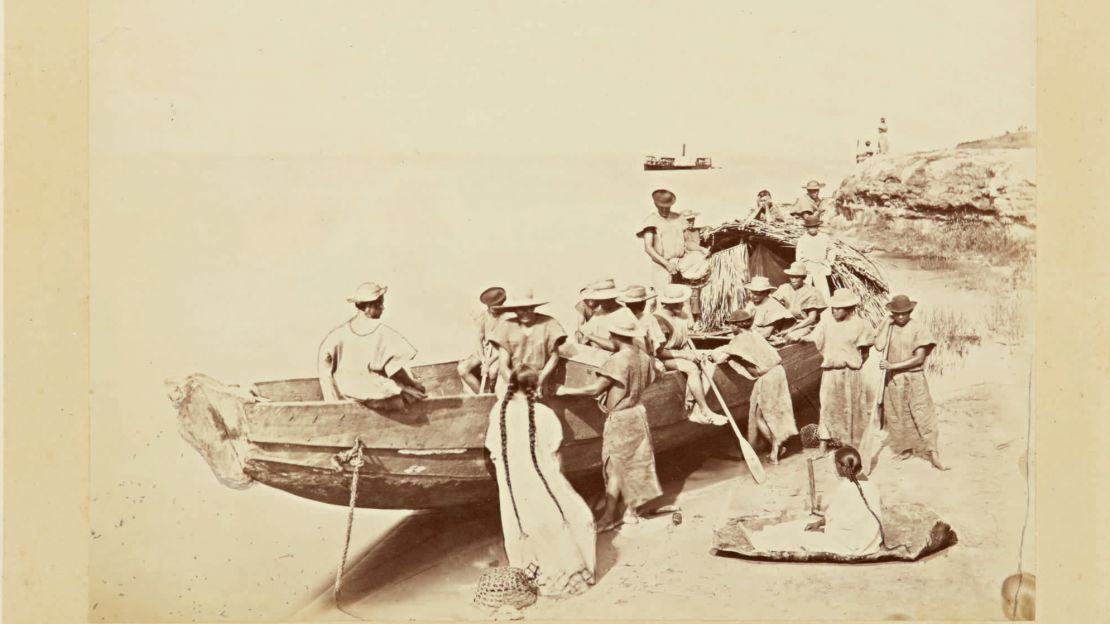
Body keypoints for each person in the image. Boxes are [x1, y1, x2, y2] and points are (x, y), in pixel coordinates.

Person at [485, 364, 596, 597]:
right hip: (540, 478)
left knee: (522, 526)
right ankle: (567, 577)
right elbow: (555, 453)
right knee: (574, 518)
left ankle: (530, 577)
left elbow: (493, 451)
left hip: (511, 484)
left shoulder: (499, 410)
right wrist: (559, 482)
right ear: (534, 387)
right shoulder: (543, 414)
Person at [555, 319, 675, 531]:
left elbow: (595, 389)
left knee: (614, 467)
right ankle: (630, 512)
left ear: (615, 336)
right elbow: (653, 376)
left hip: (620, 417)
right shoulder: (643, 356)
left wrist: (564, 390)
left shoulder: (617, 361)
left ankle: (609, 517)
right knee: (636, 463)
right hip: (637, 412)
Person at [747, 446, 884, 556]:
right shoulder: (870, 483)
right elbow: (844, 517)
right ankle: (763, 534)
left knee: (799, 537)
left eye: (835, 465)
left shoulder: (848, 488)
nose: (834, 469)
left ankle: (758, 540)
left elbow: (841, 522)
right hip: (868, 539)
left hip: (852, 544)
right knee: (801, 525)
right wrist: (819, 523)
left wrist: (824, 529)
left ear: (843, 467)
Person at [708, 308, 798, 464]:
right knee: (767, 413)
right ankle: (776, 447)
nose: (730, 328)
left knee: (761, 416)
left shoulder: (739, 340)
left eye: (732, 325)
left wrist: (710, 355)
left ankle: (775, 450)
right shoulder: (755, 334)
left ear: (737, 325)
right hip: (777, 372)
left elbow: (721, 357)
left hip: (768, 377)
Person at [318, 282, 426, 408]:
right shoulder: (381, 332)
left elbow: (326, 373)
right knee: (416, 394)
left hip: (347, 395)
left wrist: (334, 402)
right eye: (380, 303)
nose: (383, 308)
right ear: (369, 306)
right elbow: (396, 371)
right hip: (378, 397)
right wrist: (413, 385)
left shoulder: (335, 335)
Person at [872, 294, 949, 470]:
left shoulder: (918, 329)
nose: (900, 317)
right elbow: (878, 345)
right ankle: (906, 450)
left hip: (914, 377)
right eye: (896, 314)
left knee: (923, 413)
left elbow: (918, 359)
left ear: (910, 311)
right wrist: (886, 324)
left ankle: (934, 454)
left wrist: (892, 365)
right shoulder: (889, 327)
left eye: (904, 313)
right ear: (892, 313)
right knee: (898, 415)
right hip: (894, 379)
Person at [802, 289, 875, 451]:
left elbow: (865, 352)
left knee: (851, 406)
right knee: (827, 407)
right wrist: (797, 335)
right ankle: (823, 445)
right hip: (830, 373)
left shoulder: (861, 325)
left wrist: (854, 366)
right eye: (833, 307)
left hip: (851, 373)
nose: (834, 311)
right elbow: (813, 338)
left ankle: (850, 444)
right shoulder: (826, 323)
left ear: (849, 308)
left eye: (839, 308)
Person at [653, 284, 727, 426]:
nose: (681, 305)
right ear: (666, 304)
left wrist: (691, 351)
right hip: (663, 356)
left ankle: (694, 403)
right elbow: (659, 352)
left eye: (681, 302)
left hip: (680, 352)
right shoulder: (659, 320)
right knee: (692, 367)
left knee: (709, 357)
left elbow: (684, 336)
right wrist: (687, 355)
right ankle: (704, 409)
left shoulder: (680, 314)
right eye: (677, 303)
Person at [488, 291, 568, 398]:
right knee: (509, 403)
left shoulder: (549, 323)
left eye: (530, 308)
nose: (526, 312)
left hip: (540, 377)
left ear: (534, 307)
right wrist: (516, 386)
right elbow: (503, 366)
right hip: (512, 378)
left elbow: (554, 357)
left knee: (538, 404)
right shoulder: (506, 326)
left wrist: (540, 380)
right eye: (521, 309)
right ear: (515, 310)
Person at [636, 189, 691, 292]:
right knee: (664, 297)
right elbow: (648, 247)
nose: (665, 210)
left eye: (667, 207)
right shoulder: (651, 220)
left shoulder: (679, 218)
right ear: (656, 205)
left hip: (681, 265)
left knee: (682, 296)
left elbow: (688, 240)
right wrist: (667, 264)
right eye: (662, 207)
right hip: (662, 266)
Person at [458, 286, 509, 394]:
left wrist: (488, 363)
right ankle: (482, 396)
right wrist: (482, 359)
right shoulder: (485, 315)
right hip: (486, 351)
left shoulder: (508, 318)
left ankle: (493, 396)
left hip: (499, 351)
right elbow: (479, 338)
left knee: (492, 372)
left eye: (496, 307)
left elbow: (504, 347)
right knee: (462, 368)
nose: (493, 310)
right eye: (490, 307)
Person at [774, 262, 827, 341]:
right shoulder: (784, 288)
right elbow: (774, 304)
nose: (793, 280)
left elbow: (811, 318)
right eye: (791, 277)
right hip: (787, 323)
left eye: (797, 277)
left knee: (789, 338)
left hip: (804, 324)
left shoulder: (812, 292)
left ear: (803, 278)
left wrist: (791, 330)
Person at [578, 287, 641, 353]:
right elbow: (587, 331)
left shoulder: (623, 313)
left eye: (604, 300)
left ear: (612, 298)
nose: (601, 303)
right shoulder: (601, 311)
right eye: (599, 299)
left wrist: (590, 337)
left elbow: (616, 346)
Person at [795, 214, 836, 301]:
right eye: (810, 227)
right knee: (806, 291)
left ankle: (826, 313)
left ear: (818, 227)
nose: (812, 229)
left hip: (820, 266)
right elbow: (799, 256)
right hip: (808, 267)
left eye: (814, 227)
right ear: (807, 228)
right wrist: (804, 265)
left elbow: (832, 249)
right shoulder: (802, 239)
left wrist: (829, 261)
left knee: (823, 292)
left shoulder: (824, 237)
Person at [618, 285, 667, 359]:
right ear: (644, 304)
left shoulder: (620, 318)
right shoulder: (649, 319)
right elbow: (659, 347)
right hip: (645, 359)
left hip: (623, 357)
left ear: (626, 304)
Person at [745, 276, 795, 342]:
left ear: (766, 293)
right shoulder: (752, 303)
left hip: (764, 338)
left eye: (757, 293)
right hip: (750, 334)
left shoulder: (773, 306)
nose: (753, 296)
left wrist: (748, 339)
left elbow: (768, 333)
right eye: (752, 292)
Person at [574, 278, 615, 343]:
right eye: (586, 298)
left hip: (603, 332)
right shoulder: (582, 304)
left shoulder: (602, 305)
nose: (589, 301)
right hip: (591, 331)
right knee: (578, 334)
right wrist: (581, 334)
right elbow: (580, 324)